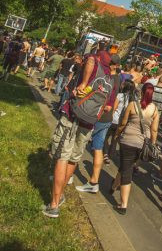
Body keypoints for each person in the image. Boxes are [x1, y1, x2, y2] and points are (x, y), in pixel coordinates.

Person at [43, 52, 118, 218]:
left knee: (62, 156)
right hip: (89, 123)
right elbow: (108, 107)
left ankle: (54, 205)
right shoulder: (110, 81)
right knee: (73, 159)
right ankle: (60, 194)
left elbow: (90, 60)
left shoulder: (93, 61)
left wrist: (84, 83)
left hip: (73, 115)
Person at [111, 82, 159, 214]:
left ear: (142, 92)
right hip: (142, 143)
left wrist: (116, 135)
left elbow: (123, 123)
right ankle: (114, 186)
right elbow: (154, 130)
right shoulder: (154, 109)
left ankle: (123, 204)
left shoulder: (133, 105)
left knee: (127, 170)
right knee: (127, 165)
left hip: (128, 141)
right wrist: (152, 144)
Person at [76, 54, 120, 194]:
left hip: (97, 114)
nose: (110, 64)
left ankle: (70, 173)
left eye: (111, 63)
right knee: (98, 148)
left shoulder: (107, 77)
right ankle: (94, 181)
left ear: (115, 65)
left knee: (81, 141)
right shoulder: (118, 79)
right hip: (107, 117)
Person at [103, 80, 136, 164]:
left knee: (106, 136)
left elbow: (114, 108)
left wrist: (109, 117)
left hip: (114, 120)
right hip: (123, 122)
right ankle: (110, 156)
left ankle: (105, 154)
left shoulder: (120, 95)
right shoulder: (133, 99)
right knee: (115, 139)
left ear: (124, 86)